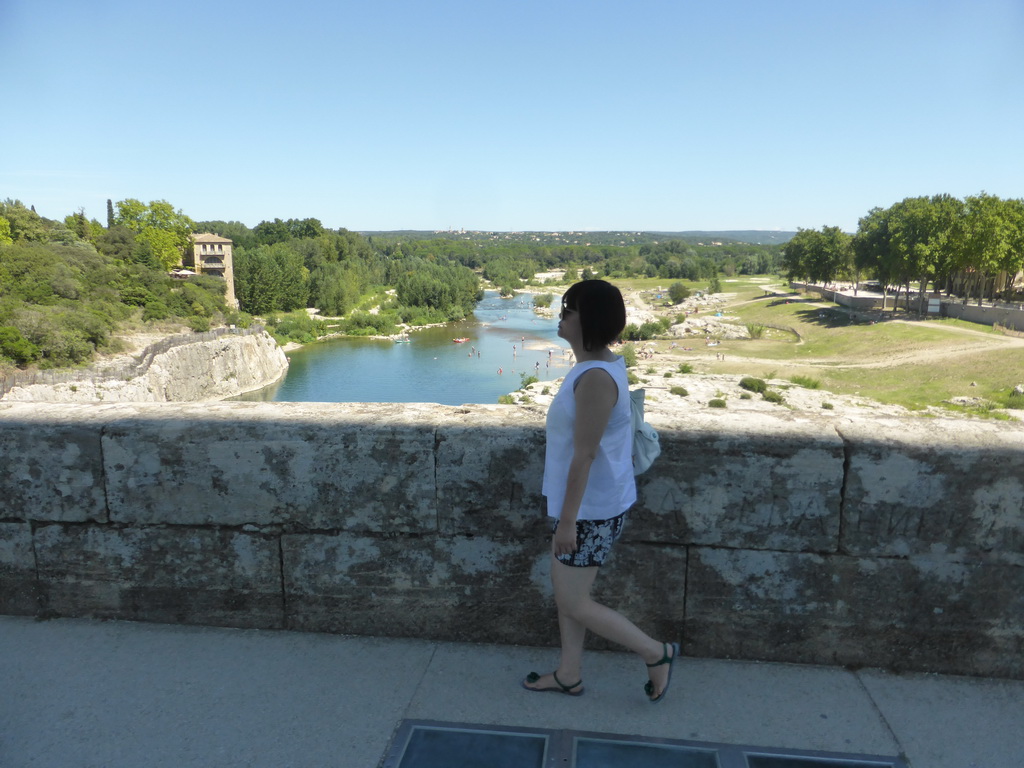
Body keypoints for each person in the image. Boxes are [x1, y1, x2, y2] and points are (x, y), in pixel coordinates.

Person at [521, 279, 678, 703]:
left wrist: (567, 522)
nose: (561, 314)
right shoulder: (598, 367)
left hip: (588, 512)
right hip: (586, 506)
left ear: (587, 319)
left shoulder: (594, 378)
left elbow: (584, 455)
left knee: (573, 601)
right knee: (570, 597)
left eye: (568, 308)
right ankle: (568, 673)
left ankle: (656, 653)